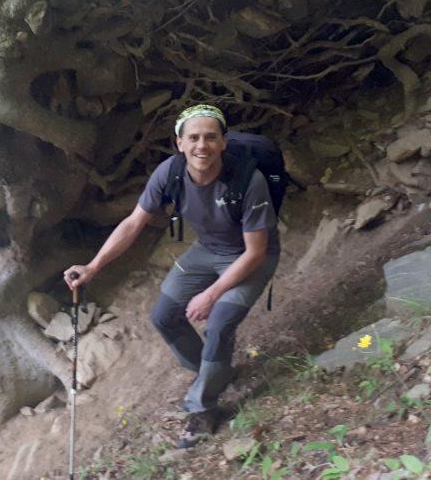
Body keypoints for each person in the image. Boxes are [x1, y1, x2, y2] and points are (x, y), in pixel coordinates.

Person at [64, 104, 280, 448]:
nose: (202, 145)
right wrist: (93, 266)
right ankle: (214, 373)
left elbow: (255, 252)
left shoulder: (247, 180)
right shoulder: (170, 174)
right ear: (179, 143)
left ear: (223, 142)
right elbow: (134, 222)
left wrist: (210, 295)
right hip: (208, 250)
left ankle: (203, 408)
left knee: (220, 322)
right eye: (193, 137)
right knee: (164, 316)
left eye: (211, 137)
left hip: (250, 256)